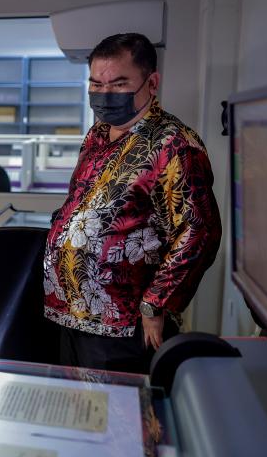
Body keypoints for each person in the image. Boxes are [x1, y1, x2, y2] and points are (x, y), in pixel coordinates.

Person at [43, 32, 221, 374]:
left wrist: (156, 304)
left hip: (124, 326)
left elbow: (199, 231)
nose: (105, 94)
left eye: (119, 84)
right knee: (77, 416)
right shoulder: (97, 135)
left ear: (151, 83)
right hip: (71, 312)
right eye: (96, 84)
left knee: (118, 422)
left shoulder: (174, 145)